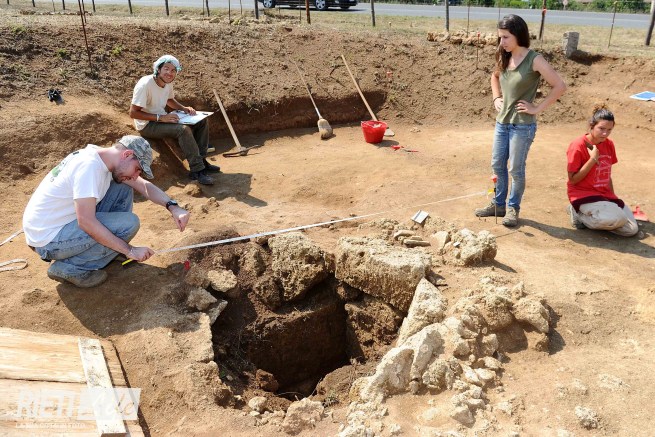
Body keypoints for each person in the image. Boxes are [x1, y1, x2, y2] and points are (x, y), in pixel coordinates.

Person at [22, 136, 190, 288]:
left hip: (57, 224)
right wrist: (129, 250)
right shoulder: (89, 167)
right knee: (129, 224)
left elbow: (143, 186)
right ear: (127, 154)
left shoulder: (103, 157)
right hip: (48, 239)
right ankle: (70, 267)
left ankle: (111, 249)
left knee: (123, 185)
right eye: (138, 169)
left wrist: (173, 207)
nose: (136, 175)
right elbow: (86, 222)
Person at [475, 14, 566, 227]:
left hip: (522, 126)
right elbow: (494, 76)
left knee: (515, 169)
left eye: (506, 37)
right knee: (497, 164)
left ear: (518, 35)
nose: (502, 42)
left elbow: (560, 86)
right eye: (500, 37)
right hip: (502, 123)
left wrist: (537, 108)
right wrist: (496, 97)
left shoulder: (534, 59)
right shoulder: (504, 56)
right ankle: (498, 205)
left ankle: (513, 209)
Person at [129, 54, 219, 186]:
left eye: (173, 70)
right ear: (158, 69)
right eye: (166, 69)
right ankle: (197, 170)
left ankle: (202, 162)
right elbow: (133, 113)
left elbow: (169, 99)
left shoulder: (167, 83)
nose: (169, 73)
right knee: (183, 130)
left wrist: (184, 109)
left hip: (161, 118)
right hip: (147, 125)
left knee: (202, 121)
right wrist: (161, 118)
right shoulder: (145, 84)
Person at [565, 105, 638, 237]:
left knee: (631, 229)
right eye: (601, 128)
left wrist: (613, 197)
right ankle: (577, 213)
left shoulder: (609, 144)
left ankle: (604, 217)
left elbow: (607, 174)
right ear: (591, 126)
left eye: (609, 130)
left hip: (604, 195)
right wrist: (593, 159)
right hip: (583, 195)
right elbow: (573, 180)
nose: (605, 133)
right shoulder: (578, 145)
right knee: (618, 218)